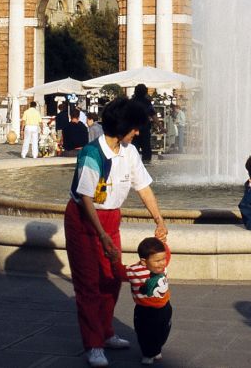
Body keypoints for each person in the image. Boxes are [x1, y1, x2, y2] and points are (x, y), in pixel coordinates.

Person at [64, 98, 168, 368]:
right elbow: (85, 198)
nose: (137, 133)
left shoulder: (129, 151)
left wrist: (159, 219)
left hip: (111, 218)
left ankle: (106, 332)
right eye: (134, 128)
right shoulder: (91, 153)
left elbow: (143, 187)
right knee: (88, 284)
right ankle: (93, 344)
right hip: (86, 221)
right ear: (122, 126)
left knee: (111, 278)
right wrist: (102, 236)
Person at [117, 237, 173, 365]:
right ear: (143, 261)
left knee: (164, 329)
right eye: (157, 261)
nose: (162, 263)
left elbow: (167, 254)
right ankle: (148, 353)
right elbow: (118, 271)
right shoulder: (133, 271)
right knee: (144, 333)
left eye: (163, 259)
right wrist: (113, 258)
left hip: (165, 307)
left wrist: (162, 240)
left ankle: (156, 347)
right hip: (144, 310)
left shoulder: (163, 264)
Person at [132, 85, 156, 163]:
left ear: (135, 91)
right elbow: (153, 115)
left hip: (133, 129)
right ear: (145, 92)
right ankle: (146, 163)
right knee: (146, 148)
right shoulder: (147, 103)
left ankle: (133, 163)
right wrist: (161, 127)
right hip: (145, 128)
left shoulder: (131, 102)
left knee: (133, 148)